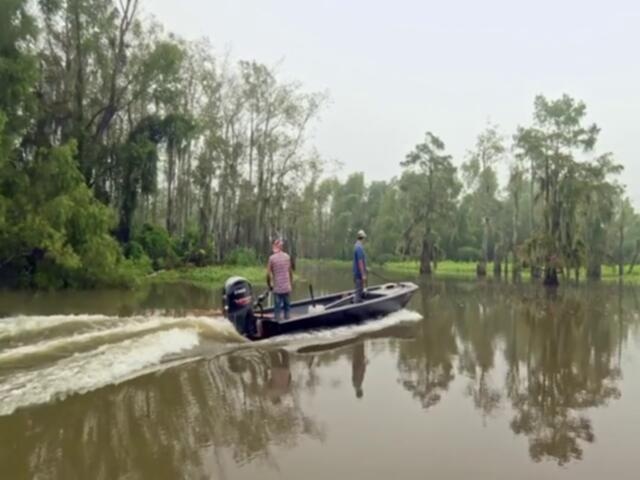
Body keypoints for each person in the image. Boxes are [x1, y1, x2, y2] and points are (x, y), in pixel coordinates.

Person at [267, 238, 293, 320]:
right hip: (286, 288)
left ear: (275, 247)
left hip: (277, 289)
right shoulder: (287, 257)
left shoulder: (271, 258)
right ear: (281, 247)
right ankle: (287, 321)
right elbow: (290, 273)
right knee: (287, 308)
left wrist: (269, 285)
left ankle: (277, 322)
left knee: (277, 309)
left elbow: (268, 274)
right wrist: (290, 284)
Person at [353, 230, 368, 302]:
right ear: (363, 238)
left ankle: (357, 302)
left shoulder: (356, 245)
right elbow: (360, 262)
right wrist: (363, 275)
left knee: (359, 292)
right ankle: (355, 308)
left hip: (357, 274)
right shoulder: (359, 247)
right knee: (358, 294)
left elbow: (360, 261)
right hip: (359, 275)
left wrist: (366, 268)